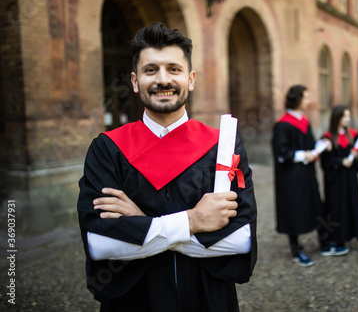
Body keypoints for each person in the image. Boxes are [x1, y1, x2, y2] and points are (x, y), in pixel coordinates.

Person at [77, 22, 257, 311]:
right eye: (151, 70)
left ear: (191, 79)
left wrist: (143, 224)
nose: (163, 80)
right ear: (135, 81)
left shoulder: (223, 146)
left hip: (207, 297)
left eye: (174, 69)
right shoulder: (107, 149)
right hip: (134, 299)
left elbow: (240, 239)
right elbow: (101, 242)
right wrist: (194, 221)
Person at [272, 85, 347, 267]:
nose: (308, 101)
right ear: (297, 100)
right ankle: (296, 249)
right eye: (305, 98)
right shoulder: (282, 125)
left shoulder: (303, 121)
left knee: (316, 206)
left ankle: (325, 243)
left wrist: (321, 144)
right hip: (290, 178)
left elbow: (311, 144)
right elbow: (281, 153)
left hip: (307, 174)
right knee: (294, 209)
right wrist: (303, 155)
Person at [320, 105, 358, 256]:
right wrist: (340, 162)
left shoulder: (354, 135)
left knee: (355, 206)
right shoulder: (327, 138)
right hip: (335, 181)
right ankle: (340, 238)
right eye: (344, 116)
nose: (347, 119)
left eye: (348, 116)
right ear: (337, 118)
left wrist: (357, 158)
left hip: (350, 178)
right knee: (337, 208)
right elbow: (325, 163)